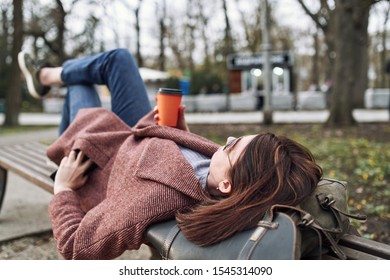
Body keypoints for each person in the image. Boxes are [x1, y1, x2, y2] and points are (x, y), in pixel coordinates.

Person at [18, 48, 323, 260]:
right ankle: (45, 77)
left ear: (228, 185)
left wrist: (63, 188)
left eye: (231, 146)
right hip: (138, 131)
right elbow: (186, 164)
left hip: (94, 151)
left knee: (80, 82)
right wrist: (179, 134)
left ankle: (44, 77)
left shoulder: (157, 197)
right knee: (116, 60)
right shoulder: (226, 173)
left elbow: (74, 246)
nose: (226, 139)